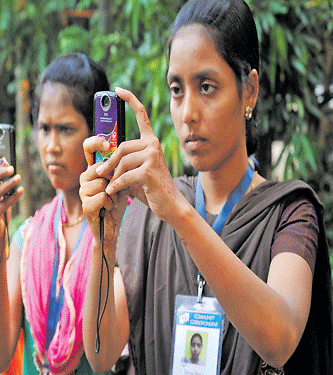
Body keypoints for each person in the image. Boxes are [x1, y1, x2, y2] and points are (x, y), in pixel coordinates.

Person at [79, 0, 332, 374]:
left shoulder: (290, 213)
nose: (187, 113)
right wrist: (105, 239)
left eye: (207, 87)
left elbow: (280, 340)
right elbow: (100, 356)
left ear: (249, 90)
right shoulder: (149, 216)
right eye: (177, 89)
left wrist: (179, 214)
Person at [0, 53, 119, 374]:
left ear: (98, 132)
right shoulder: (27, 236)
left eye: (66, 129)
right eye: (44, 128)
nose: (51, 146)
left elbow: (104, 356)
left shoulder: (122, 229)